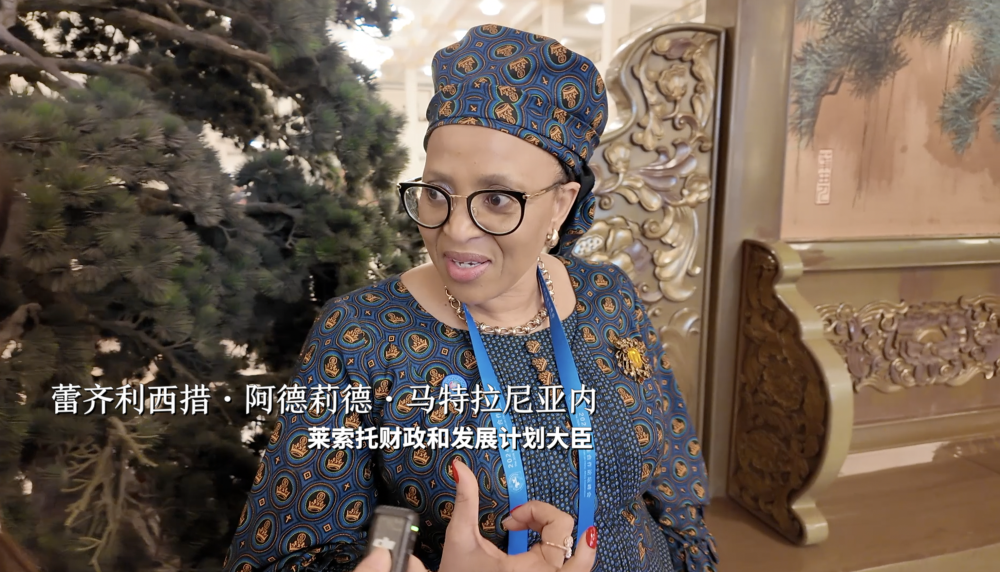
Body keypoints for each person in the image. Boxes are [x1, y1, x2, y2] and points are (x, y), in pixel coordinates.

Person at [224, 23, 717, 572]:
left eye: (499, 199)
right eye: (436, 193)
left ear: (561, 205)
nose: (455, 230)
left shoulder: (608, 296)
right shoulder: (362, 334)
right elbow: (283, 554)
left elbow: (678, 492)